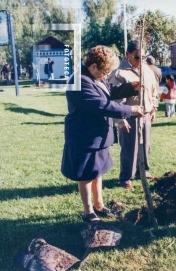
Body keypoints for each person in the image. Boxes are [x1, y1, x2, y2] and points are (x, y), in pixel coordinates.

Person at [61, 45, 143, 223]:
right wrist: (131, 110)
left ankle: (99, 205)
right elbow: (102, 105)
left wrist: (130, 87)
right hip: (85, 137)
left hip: (98, 135)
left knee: (98, 172)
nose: (106, 76)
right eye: (104, 72)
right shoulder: (80, 81)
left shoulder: (95, 77)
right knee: (86, 175)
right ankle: (88, 211)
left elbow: (109, 93)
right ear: (93, 67)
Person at [108, 40, 159, 189]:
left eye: (143, 57)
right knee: (130, 148)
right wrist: (120, 119)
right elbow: (115, 99)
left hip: (146, 115)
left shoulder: (148, 70)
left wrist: (154, 107)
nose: (140, 60)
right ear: (127, 55)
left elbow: (154, 91)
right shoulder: (118, 73)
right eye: (137, 57)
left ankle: (143, 171)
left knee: (145, 146)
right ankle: (125, 178)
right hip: (129, 116)